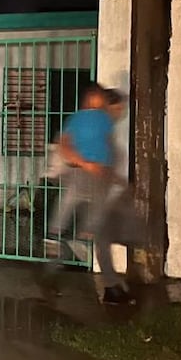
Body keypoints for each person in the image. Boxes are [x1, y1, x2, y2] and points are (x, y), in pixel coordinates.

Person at [46, 84, 131, 304]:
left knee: (87, 223)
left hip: (93, 182)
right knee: (93, 228)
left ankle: (109, 286)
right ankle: (54, 274)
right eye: (118, 109)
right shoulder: (97, 123)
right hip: (89, 179)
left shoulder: (102, 130)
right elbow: (66, 146)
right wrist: (88, 165)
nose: (120, 113)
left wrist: (115, 178)